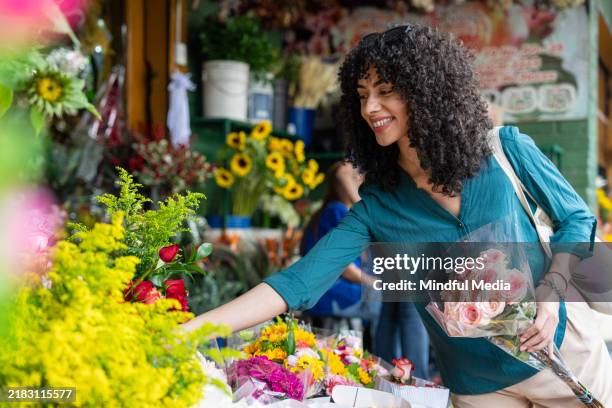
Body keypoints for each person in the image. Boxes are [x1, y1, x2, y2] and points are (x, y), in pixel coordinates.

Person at [184, 25, 612, 406]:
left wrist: (552, 292)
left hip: (564, 359)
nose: (371, 107)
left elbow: (576, 218)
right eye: (362, 94)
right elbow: (297, 282)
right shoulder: (379, 206)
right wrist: (194, 330)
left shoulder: (503, 152)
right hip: (481, 389)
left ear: (427, 92)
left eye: (386, 90)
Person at [299, 160, 366, 321]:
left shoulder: (324, 211)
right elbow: (346, 269)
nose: (362, 179)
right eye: (357, 177)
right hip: (331, 293)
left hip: (320, 291)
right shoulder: (337, 211)